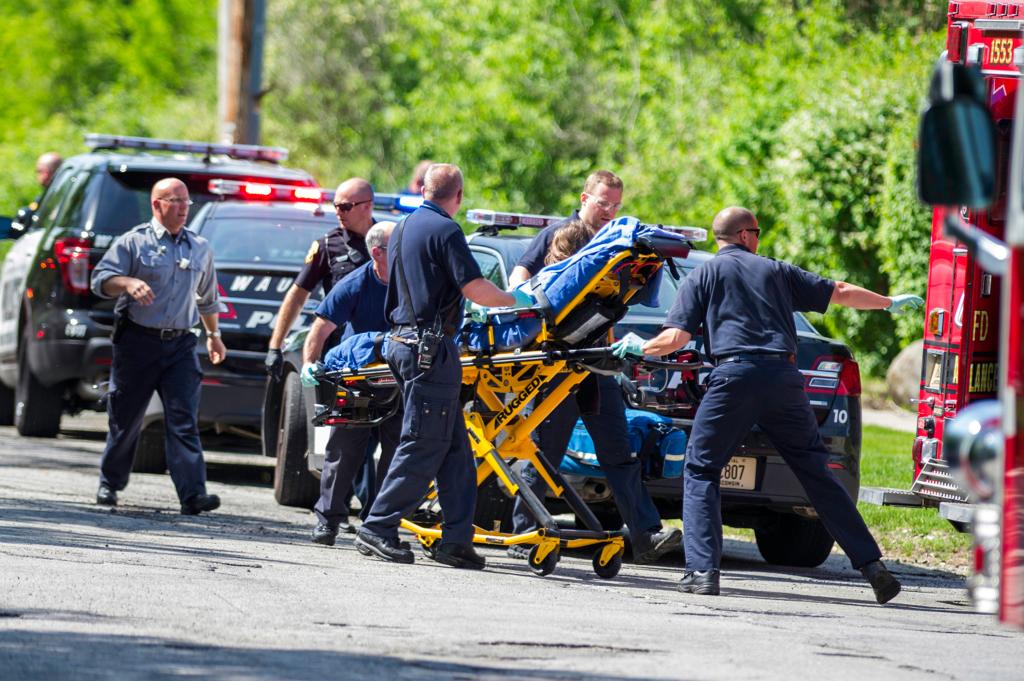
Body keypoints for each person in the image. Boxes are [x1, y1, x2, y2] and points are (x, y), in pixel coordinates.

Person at [612, 206, 923, 602]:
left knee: (702, 468)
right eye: (756, 232)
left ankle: (703, 572)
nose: (758, 239)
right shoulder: (777, 271)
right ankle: (874, 568)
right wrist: (888, 302)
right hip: (784, 380)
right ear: (744, 235)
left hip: (735, 378)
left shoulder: (702, 275)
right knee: (816, 474)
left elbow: (674, 338)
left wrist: (640, 347)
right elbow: (840, 291)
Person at [354, 163, 532, 568]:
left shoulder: (402, 228)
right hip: (428, 350)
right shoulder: (446, 230)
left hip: (403, 342)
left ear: (424, 190)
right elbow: (475, 289)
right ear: (459, 196)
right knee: (424, 443)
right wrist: (518, 301)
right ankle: (377, 526)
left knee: (455, 449)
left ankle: (456, 538)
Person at [504, 170, 683, 564]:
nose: (608, 211)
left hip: (597, 363)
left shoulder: (616, 247)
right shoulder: (558, 235)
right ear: (585, 197)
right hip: (553, 365)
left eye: (616, 206)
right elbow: (518, 283)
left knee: (618, 451)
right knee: (541, 452)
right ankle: (523, 533)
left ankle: (645, 534)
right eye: (603, 202)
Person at [91, 178, 227, 514]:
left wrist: (213, 336)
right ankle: (110, 483)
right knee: (126, 418)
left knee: (183, 419)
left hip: (180, 345)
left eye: (186, 202)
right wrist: (128, 282)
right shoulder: (133, 242)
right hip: (137, 342)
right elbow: (100, 281)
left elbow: (208, 299)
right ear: (156, 204)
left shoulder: (200, 247)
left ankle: (193, 495)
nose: (183, 208)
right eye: (175, 201)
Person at [265, 177, 377, 529]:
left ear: (367, 206)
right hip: (340, 358)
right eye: (336, 206)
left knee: (373, 433)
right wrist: (276, 344)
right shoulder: (327, 245)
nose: (339, 213)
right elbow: (298, 295)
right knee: (344, 431)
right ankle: (342, 507)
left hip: (378, 355)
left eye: (346, 206)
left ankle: (366, 510)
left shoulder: (389, 241)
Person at [298, 221, 400, 546]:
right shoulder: (356, 283)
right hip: (358, 379)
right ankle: (328, 521)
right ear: (377, 253)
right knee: (344, 451)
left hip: (398, 380)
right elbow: (322, 327)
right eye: (397, 246)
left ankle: (378, 523)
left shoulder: (411, 282)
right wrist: (309, 364)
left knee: (397, 452)